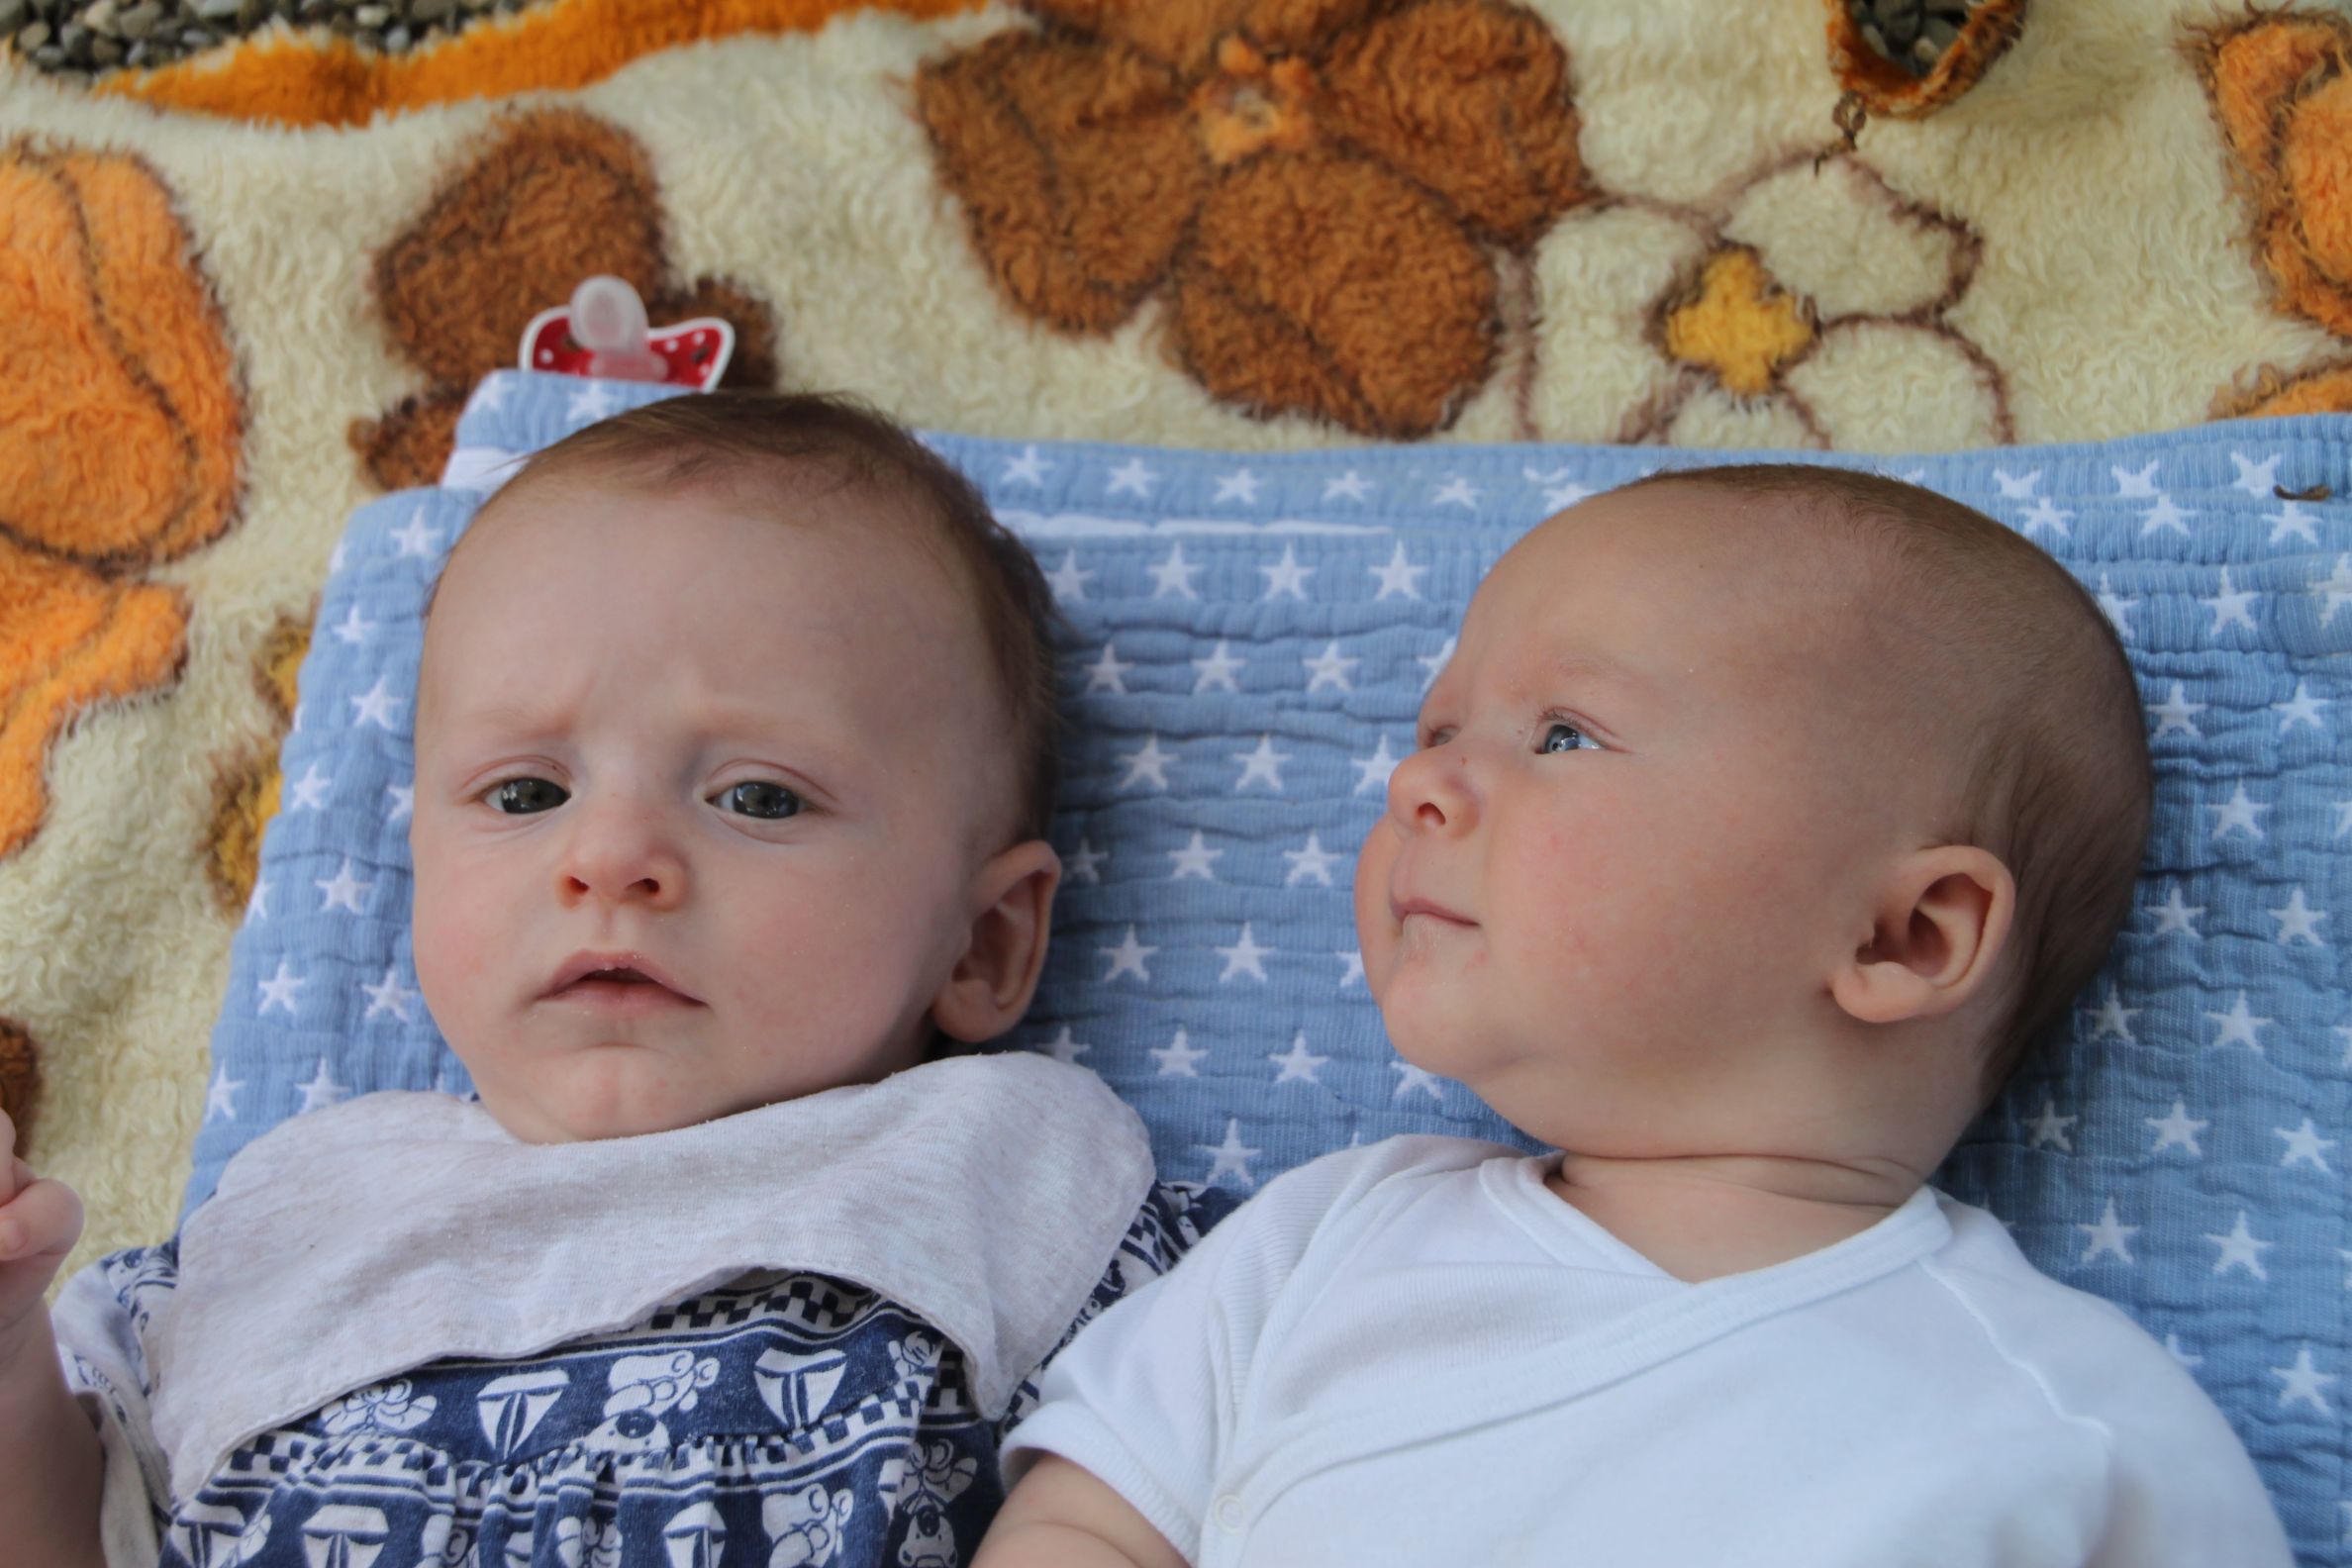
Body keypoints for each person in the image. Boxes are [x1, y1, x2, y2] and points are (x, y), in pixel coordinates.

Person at [977, 464, 2294, 1567]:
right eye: (1439, 728)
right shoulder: (1318, 1244)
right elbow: (1091, 1520)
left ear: (1901, 935)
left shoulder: (2071, 1429)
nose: (1419, 781)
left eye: (1564, 735)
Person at [0, 391, 1227, 1568]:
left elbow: (1260, 1443)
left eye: (759, 797)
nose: (609, 857)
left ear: (982, 944)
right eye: (526, 791)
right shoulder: (289, 1223)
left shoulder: (1007, 1176)